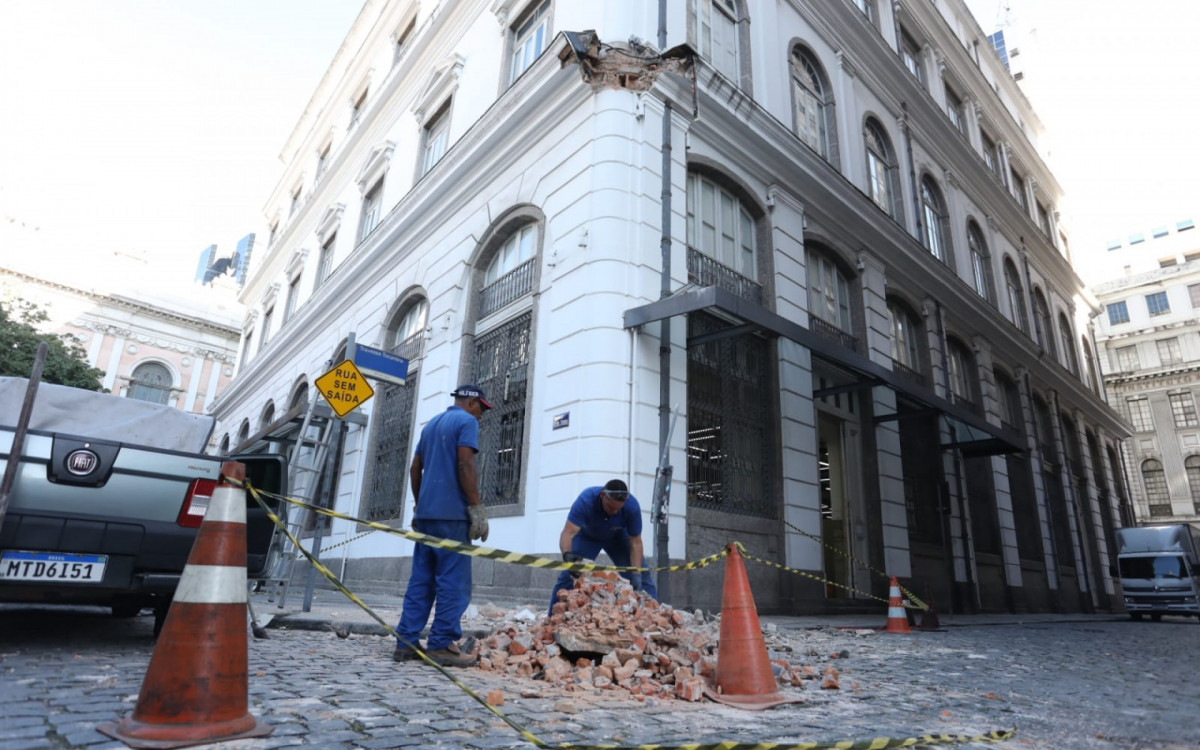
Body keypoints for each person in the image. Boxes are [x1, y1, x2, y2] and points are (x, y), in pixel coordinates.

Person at [393, 384, 492, 666]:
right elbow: (465, 465)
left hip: (426, 516)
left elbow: (415, 468)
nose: (482, 415)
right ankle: (440, 645)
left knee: (421, 580)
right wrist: (476, 506)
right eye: (482, 408)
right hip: (452, 516)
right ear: (471, 403)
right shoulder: (466, 421)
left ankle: (406, 643)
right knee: (453, 582)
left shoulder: (431, 425)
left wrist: (418, 502)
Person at [548, 479, 658, 615]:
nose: (615, 512)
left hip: (618, 537)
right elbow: (568, 532)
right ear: (602, 495)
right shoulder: (586, 500)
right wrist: (567, 554)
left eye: (619, 509)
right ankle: (552, 619)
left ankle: (654, 616)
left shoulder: (632, 506)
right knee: (568, 576)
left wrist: (636, 573)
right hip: (588, 537)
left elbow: (636, 542)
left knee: (643, 577)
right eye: (611, 508)